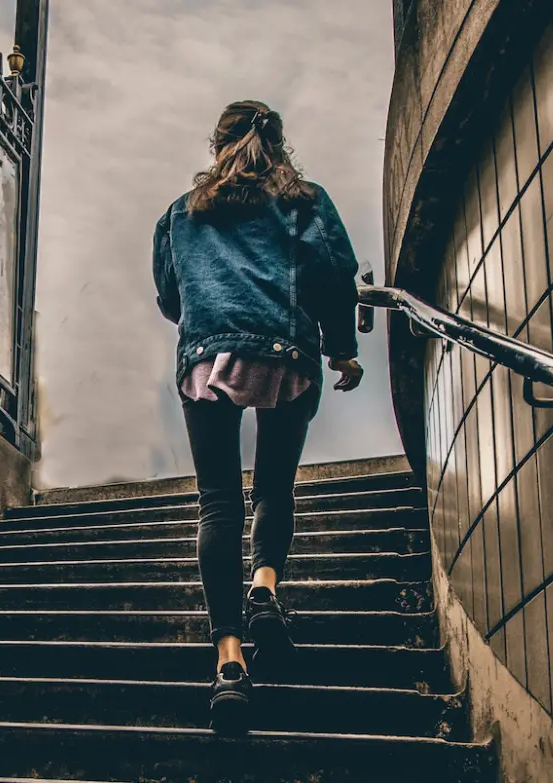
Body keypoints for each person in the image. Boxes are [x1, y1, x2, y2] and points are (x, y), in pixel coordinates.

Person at [152, 99, 364, 736]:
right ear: (277, 145)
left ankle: (229, 665)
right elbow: (336, 273)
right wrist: (343, 350)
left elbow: (169, 296)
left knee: (218, 503)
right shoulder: (304, 199)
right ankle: (265, 588)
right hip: (285, 352)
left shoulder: (180, 213)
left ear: (217, 145)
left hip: (205, 358)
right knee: (273, 486)